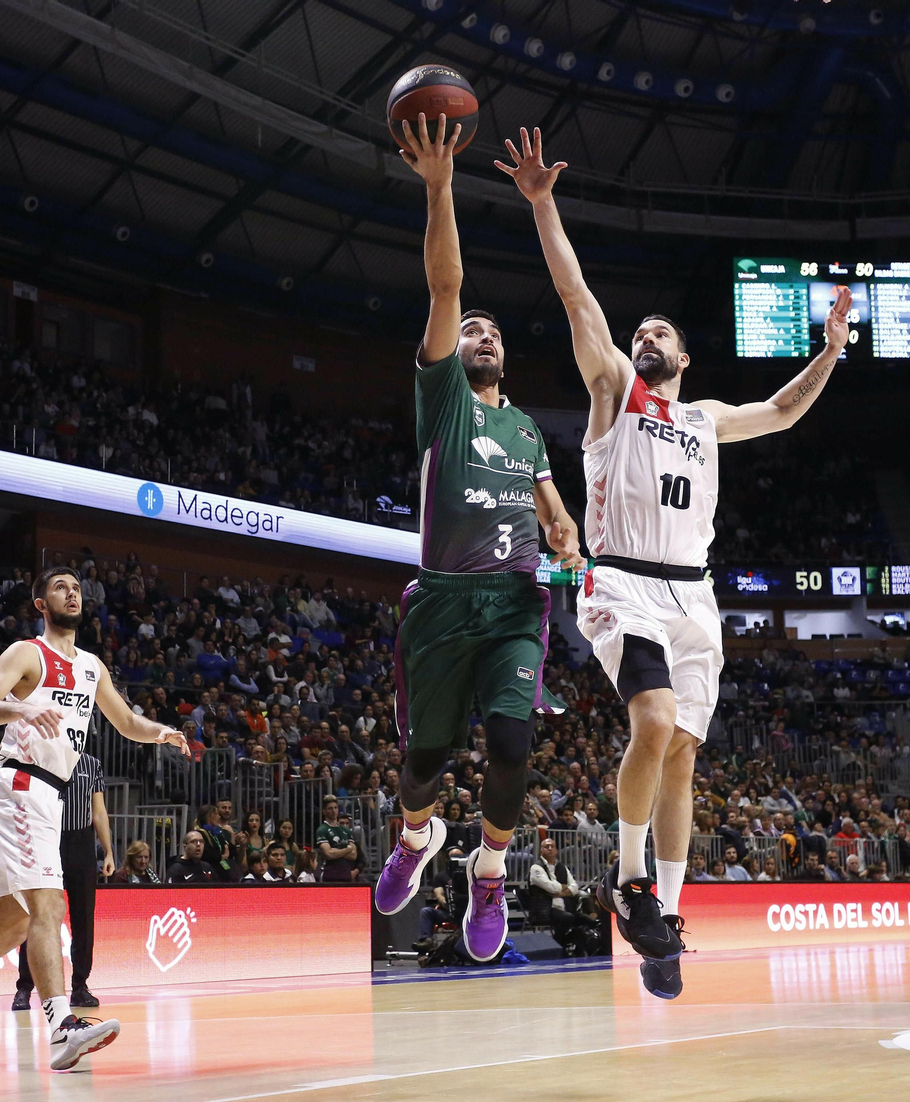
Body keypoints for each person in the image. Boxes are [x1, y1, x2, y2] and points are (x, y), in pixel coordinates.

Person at [500, 125, 850, 999]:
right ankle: (627, 883)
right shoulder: (615, 391)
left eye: (662, 333)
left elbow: (780, 410)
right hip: (621, 578)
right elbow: (579, 298)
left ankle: (666, 920)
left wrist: (834, 349)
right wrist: (544, 205)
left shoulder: (704, 419)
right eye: (642, 330)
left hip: (696, 599)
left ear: (685, 360)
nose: (647, 336)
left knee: (685, 757)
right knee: (651, 723)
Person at [370, 110, 584, 967]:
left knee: (513, 743)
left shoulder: (529, 430)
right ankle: (416, 837)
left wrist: (566, 539)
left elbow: (554, 514)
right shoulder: (443, 402)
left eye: (492, 333)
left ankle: (489, 869)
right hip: (442, 600)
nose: (481, 334)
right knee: (424, 762)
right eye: (471, 333)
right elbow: (446, 288)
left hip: (513, 602)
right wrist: (440, 185)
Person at [0, 566, 192, 1072]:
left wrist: (162, 733)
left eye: (77, 588)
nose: (72, 594)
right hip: (21, 785)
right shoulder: (27, 652)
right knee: (50, 907)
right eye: (61, 588)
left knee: (11, 927)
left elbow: (128, 722)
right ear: (42, 604)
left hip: (51, 795)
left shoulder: (91, 666)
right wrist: (22, 711)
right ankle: (62, 1025)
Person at [13, 752, 113, 1011]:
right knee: (38, 914)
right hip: (47, 839)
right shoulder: (40, 758)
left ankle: (80, 986)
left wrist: (108, 851)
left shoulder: (93, 763)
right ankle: (24, 988)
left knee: (83, 917)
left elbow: (98, 811)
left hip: (81, 842)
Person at [528, 837, 601, 953]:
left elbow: (574, 887)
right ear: (541, 850)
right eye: (547, 847)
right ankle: (558, 946)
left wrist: (559, 892)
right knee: (567, 918)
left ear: (557, 850)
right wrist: (563, 888)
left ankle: (576, 946)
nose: (550, 849)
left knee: (591, 922)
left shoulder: (562, 867)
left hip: (567, 908)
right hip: (545, 909)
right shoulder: (536, 868)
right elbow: (550, 887)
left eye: (552, 846)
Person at [317, 796, 360, 882]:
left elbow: (354, 855)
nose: (333, 811)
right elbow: (329, 854)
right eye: (330, 808)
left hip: (346, 874)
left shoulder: (346, 830)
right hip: (330, 874)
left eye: (335, 807)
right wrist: (347, 849)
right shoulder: (322, 830)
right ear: (324, 811)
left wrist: (336, 850)